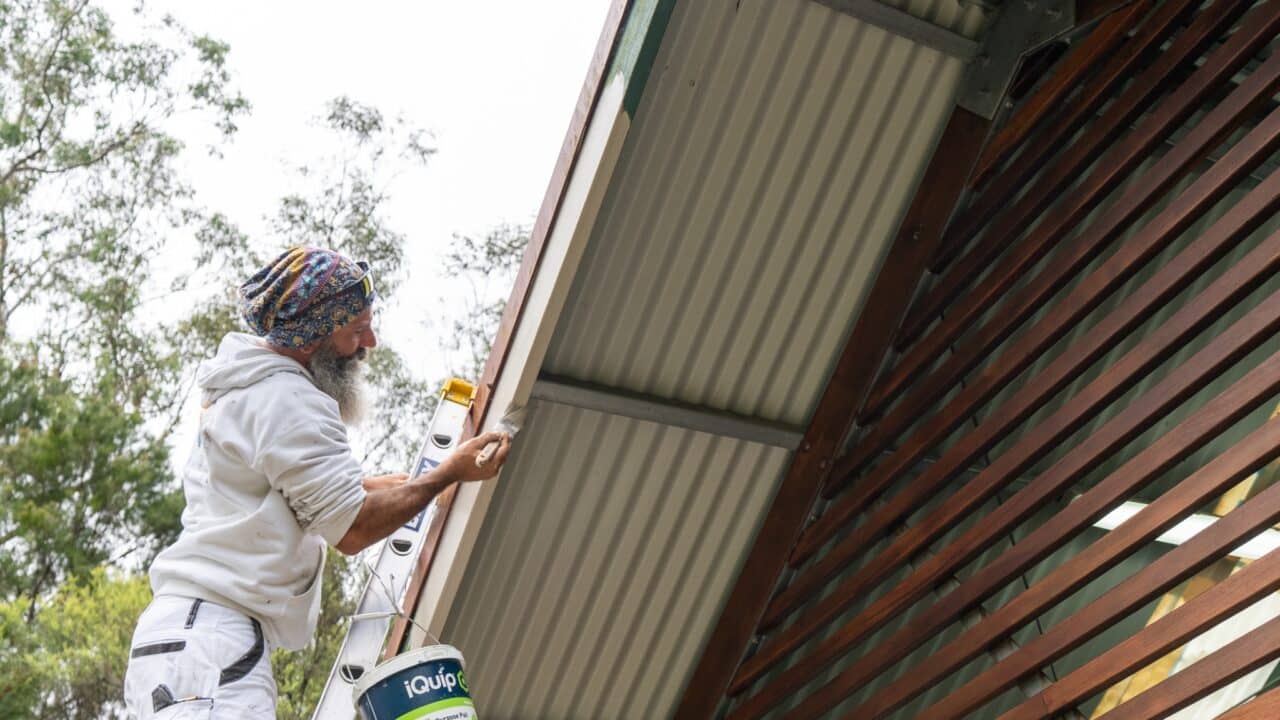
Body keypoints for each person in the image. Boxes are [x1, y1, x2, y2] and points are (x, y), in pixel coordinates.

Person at [122, 246, 510, 718]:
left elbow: (275, 489)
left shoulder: (247, 387)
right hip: (212, 648)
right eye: (354, 330)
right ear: (312, 337)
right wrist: (449, 473)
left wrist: (372, 487)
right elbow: (354, 531)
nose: (370, 342)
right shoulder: (289, 401)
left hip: (180, 645)